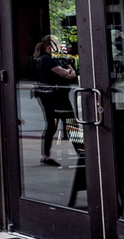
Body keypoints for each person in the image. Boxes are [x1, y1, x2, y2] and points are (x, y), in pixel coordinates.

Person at [33, 35, 76, 167]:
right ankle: (82, 152)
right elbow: (65, 73)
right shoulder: (47, 60)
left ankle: (47, 155)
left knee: (56, 125)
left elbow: (72, 73)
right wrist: (69, 72)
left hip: (57, 96)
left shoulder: (56, 59)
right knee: (69, 123)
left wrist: (69, 71)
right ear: (48, 46)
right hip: (54, 97)